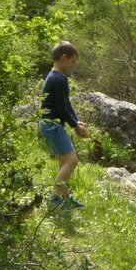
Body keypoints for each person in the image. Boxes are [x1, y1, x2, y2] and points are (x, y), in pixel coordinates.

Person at [38, 41, 88, 210]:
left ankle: (64, 198)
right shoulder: (59, 79)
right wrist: (76, 127)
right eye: (73, 62)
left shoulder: (54, 76)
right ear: (64, 58)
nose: (73, 66)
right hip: (53, 126)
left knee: (63, 162)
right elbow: (61, 107)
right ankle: (54, 199)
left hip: (49, 124)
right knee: (72, 161)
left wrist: (76, 120)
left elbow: (66, 104)